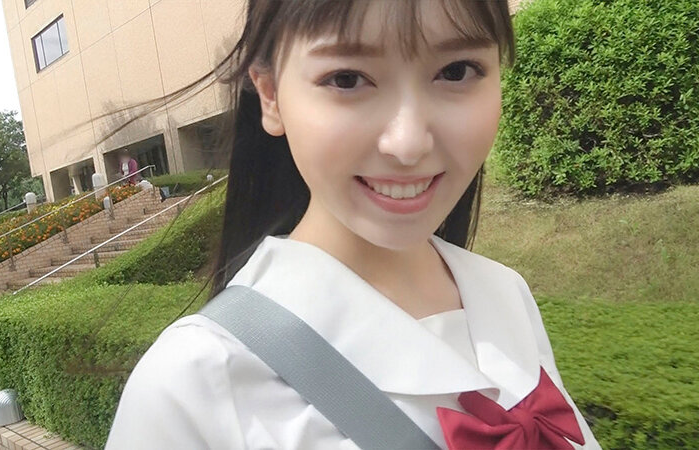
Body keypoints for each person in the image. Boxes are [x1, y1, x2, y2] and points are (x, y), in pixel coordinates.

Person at [105, 0, 601, 448]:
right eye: (346, 79)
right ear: (271, 95)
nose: (408, 143)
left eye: (456, 70)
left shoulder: (505, 293)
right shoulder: (191, 386)